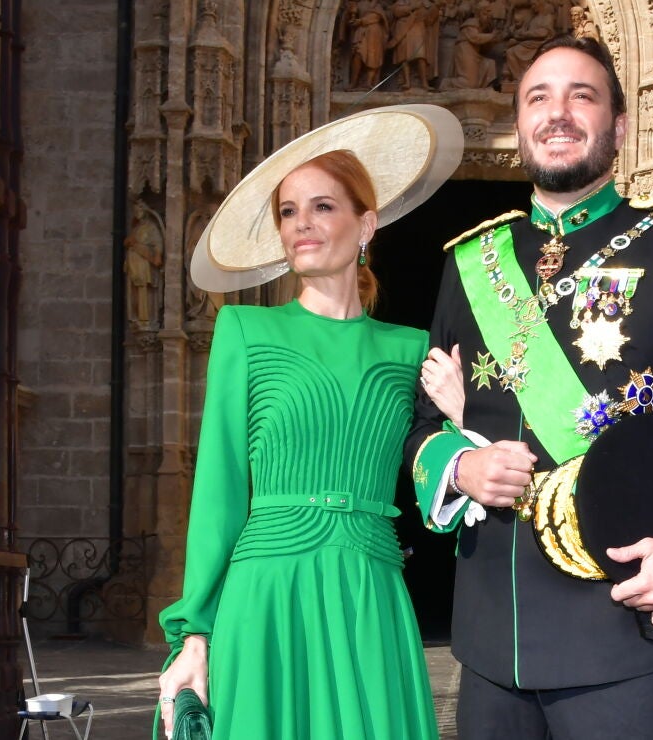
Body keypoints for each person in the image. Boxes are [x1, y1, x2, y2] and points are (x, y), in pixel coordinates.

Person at [407, 36, 653, 738]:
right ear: (519, 123)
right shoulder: (470, 263)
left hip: (632, 631)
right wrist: (460, 464)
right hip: (491, 642)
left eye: (580, 96)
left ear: (620, 126)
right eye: (539, 97)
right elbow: (421, 426)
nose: (557, 113)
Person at [157, 105, 463, 739]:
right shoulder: (244, 331)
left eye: (323, 207)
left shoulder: (411, 349)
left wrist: (461, 419)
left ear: (366, 223)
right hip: (267, 595)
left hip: (370, 594)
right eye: (289, 211)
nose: (302, 224)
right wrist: (194, 633)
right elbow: (218, 492)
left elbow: (447, 488)